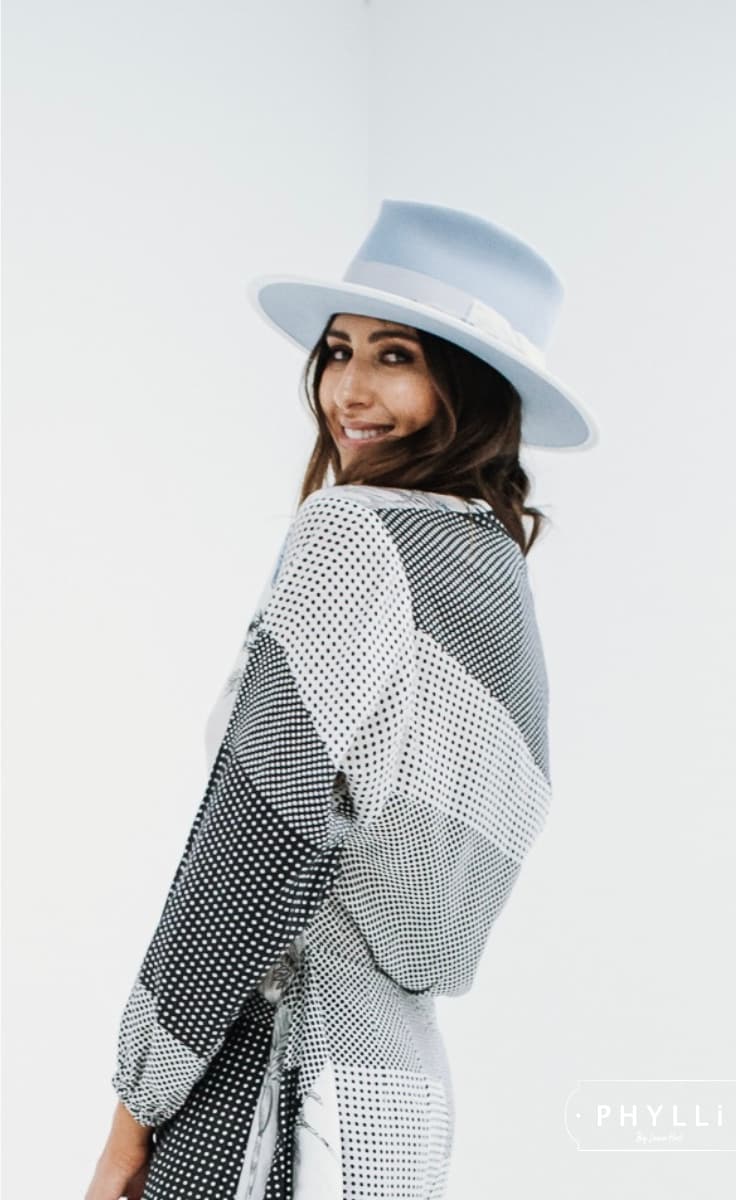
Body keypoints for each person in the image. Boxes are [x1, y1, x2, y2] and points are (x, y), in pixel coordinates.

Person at [85, 198, 599, 1200]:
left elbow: (252, 850)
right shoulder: (494, 582)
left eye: (395, 356)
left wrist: (131, 1116)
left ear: (471, 387)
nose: (348, 390)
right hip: (398, 1101)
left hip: (274, 1084)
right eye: (336, 350)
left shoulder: (351, 535)